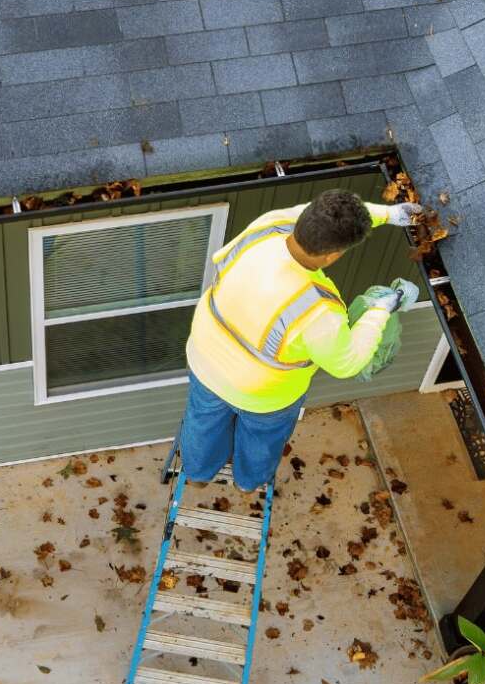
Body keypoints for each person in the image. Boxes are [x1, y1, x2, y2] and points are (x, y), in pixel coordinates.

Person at [180, 188, 422, 491]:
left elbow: (323, 215)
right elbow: (346, 363)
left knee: (203, 423)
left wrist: (389, 214)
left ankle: (198, 474)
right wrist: (381, 308)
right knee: (260, 440)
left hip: (206, 360)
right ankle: (247, 482)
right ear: (333, 255)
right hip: (264, 395)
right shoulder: (317, 310)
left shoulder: (269, 225)